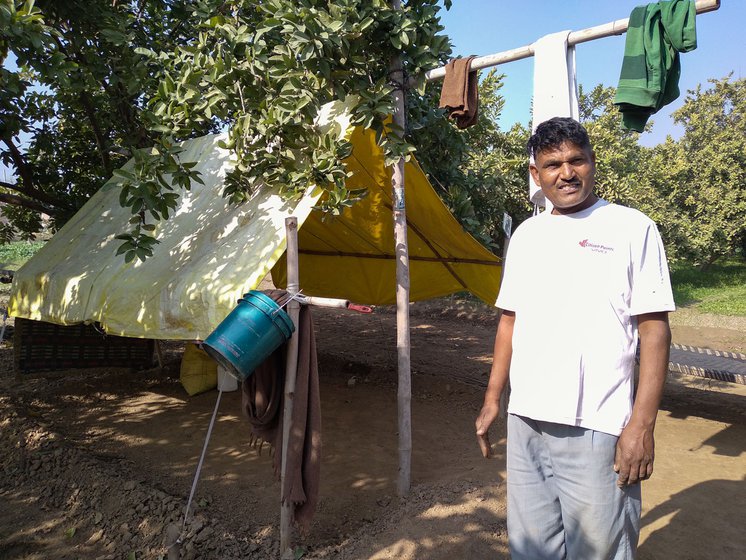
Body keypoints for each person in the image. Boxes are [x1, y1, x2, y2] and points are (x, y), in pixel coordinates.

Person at [475, 117, 674, 559]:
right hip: (527, 420)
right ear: (536, 174)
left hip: (598, 426)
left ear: (592, 163)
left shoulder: (631, 228)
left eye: (575, 160)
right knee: (532, 549)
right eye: (552, 164)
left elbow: (655, 331)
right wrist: (493, 397)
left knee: (598, 551)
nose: (566, 173)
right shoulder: (527, 235)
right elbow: (510, 319)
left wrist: (641, 426)